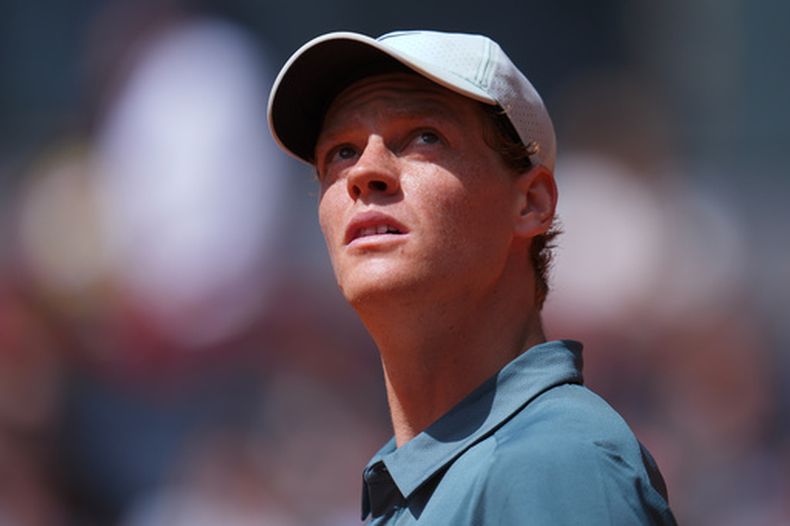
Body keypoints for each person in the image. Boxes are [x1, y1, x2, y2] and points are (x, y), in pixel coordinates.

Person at [267, 30, 677, 525]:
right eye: (342, 152)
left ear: (531, 203)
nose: (365, 172)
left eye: (424, 136)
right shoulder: (441, 473)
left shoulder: (554, 464)